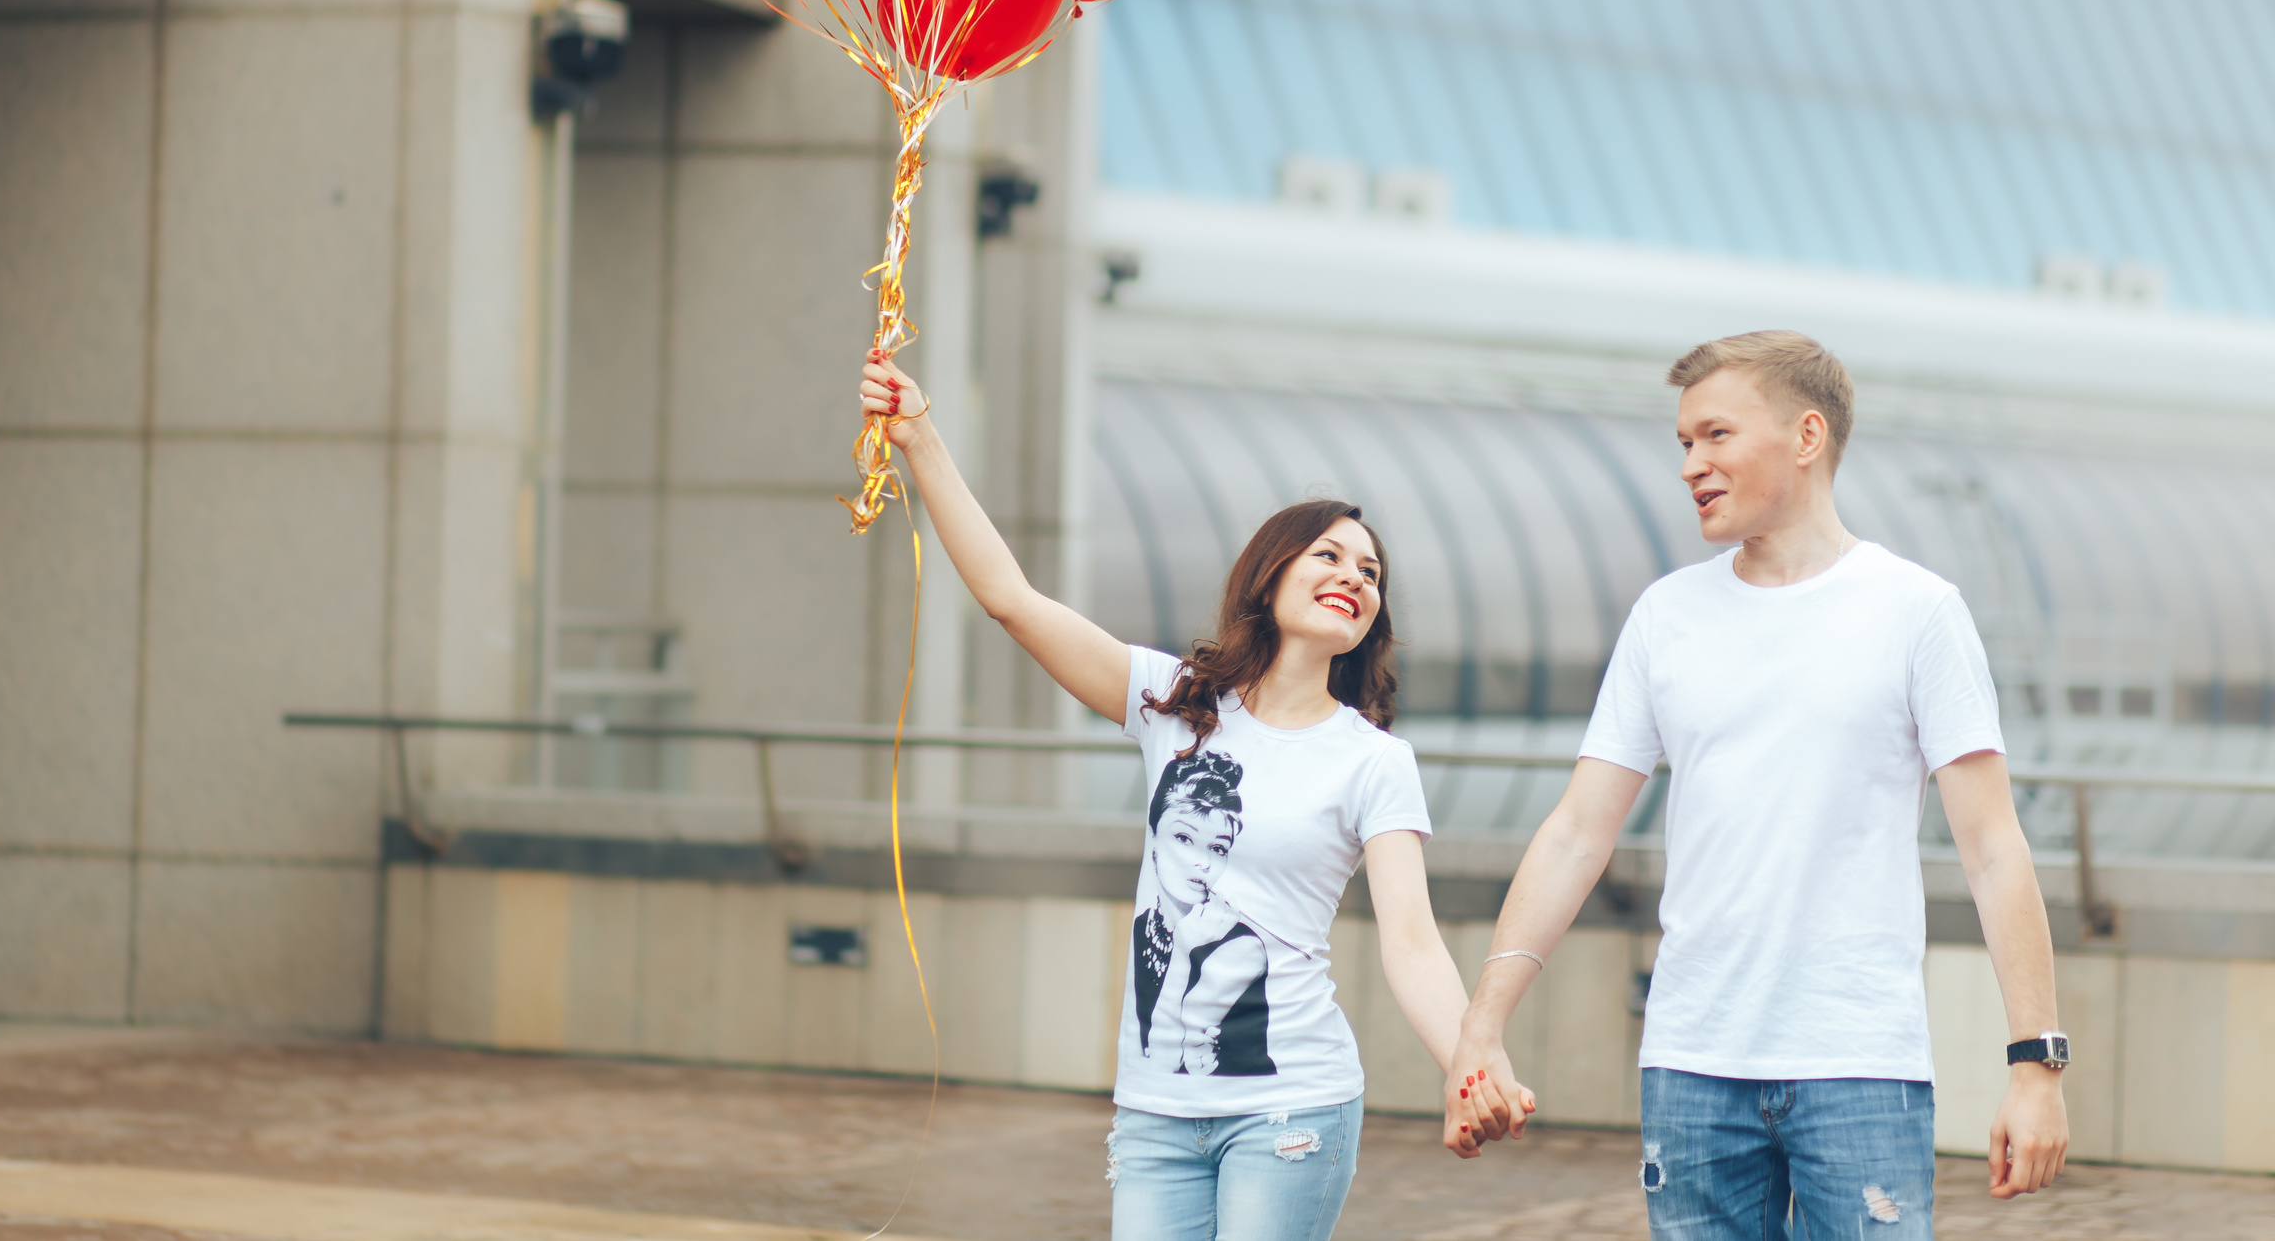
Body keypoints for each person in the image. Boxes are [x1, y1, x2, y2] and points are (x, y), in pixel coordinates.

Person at [858, 352, 1506, 1241]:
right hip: (1154, 1111)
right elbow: (1011, 599)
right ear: (1270, 574)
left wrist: (1467, 1060)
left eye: (1371, 571)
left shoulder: (1372, 760)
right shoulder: (1175, 702)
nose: (1355, 575)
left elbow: (1413, 940)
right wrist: (919, 436)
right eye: (1330, 554)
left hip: (1291, 1111)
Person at [1444, 332, 2069, 1238]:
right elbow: (1579, 829)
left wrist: (2035, 1065)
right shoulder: (1667, 615)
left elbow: (1993, 846)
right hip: (1692, 1063)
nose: (1692, 464)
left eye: (1715, 436)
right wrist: (1482, 1021)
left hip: (1858, 1063)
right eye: (1684, 444)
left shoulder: (1916, 610)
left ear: (1806, 436)